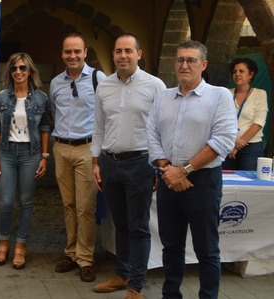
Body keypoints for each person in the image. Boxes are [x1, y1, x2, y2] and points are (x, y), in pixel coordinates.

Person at [147, 40, 237, 299]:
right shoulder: (163, 97)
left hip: (203, 182)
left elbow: (222, 140)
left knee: (207, 249)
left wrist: (184, 170)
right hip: (168, 180)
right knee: (171, 246)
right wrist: (167, 169)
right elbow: (151, 134)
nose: (184, 65)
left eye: (191, 60)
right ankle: (171, 294)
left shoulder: (219, 96)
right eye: (180, 60)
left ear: (204, 64)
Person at [91, 34, 166, 299]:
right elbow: (99, 128)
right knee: (119, 225)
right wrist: (96, 161)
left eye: (128, 51)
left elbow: (161, 129)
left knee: (138, 226)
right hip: (110, 163)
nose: (123, 55)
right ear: (113, 55)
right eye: (118, 51)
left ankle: (136, 286)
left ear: (139, 54)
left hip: (140, 164)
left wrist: (159, 165)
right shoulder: (104, 86)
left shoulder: (155, 86)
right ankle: (121, 275)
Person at [49, 32, 105, 282]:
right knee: (68, 205)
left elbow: (106, 115)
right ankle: (70, 253)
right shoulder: (55, 83)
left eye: (77, 51)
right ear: (62, 54)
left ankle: (85, 258)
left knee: (86, 208)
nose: (72, 56)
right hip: (61, 148)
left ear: (85, 53)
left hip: (87, 148)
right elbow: (54, 112)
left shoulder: (98, 78)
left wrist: (98, 154)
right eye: (67, 51)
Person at [0, 52, 51, 270]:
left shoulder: (41, 98)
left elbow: (45, 128)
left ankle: (21, 246)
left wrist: (44, 156)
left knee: (26, 201)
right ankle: (3, 243)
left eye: (22, 68)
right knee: (6, 202)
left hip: (31, 154)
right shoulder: (1, 97)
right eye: (14, 68)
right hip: (6, 153)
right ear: (9, 72)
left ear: (30, 71)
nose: (18, 72)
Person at [222, 57, 268, 170]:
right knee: (226, 183)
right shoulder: (226, 94)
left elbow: (258, 123)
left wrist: (238, 144)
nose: (237, 74)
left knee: (249, 185)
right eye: (234, 71)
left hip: (251, 148)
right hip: (227, 145)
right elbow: (221, 120)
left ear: (251, 74)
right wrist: (233, 143)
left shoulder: (260, 94)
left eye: (241, 71)